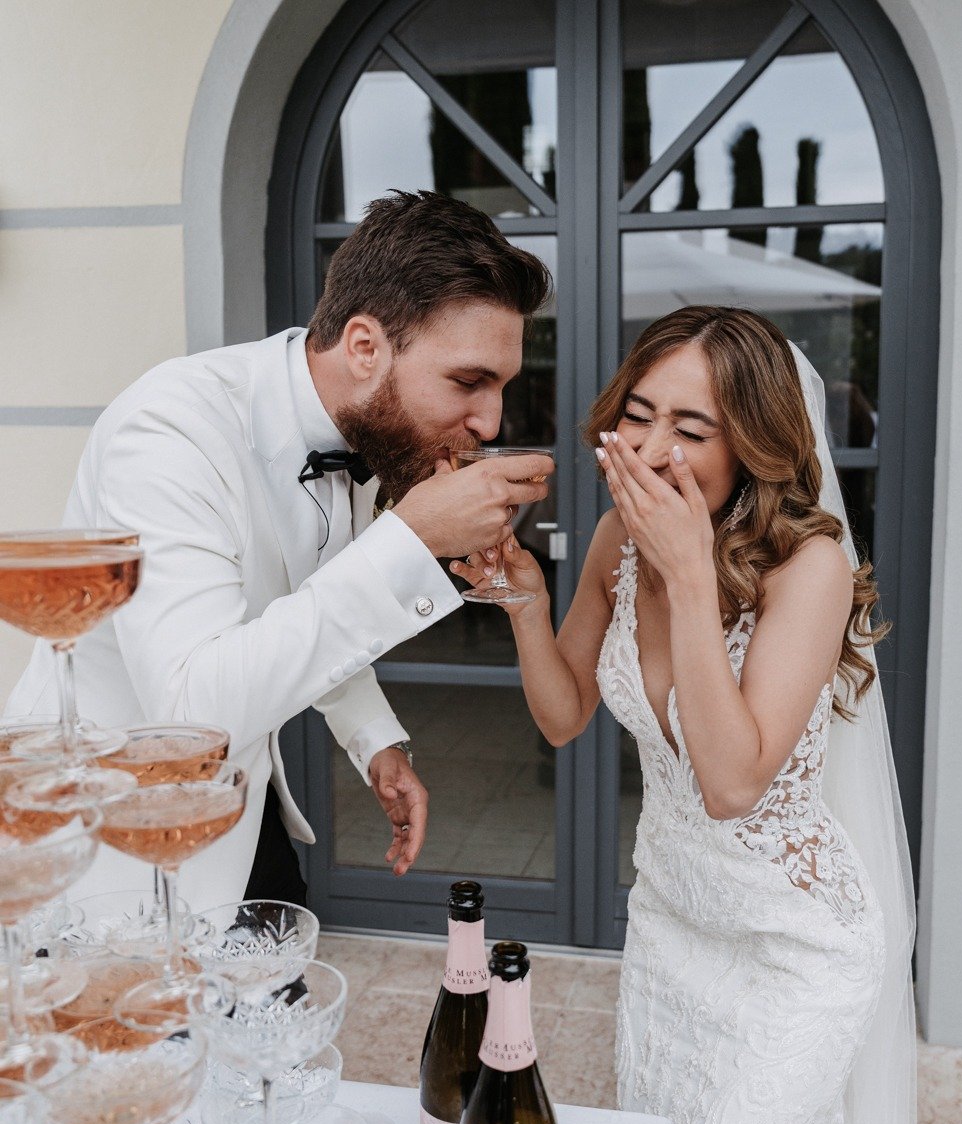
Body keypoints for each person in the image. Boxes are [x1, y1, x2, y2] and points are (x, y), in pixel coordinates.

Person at [452, 307, 916, 1124]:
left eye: (692, 429)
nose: (654, 450)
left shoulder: (811, 565)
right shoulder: (620, 538)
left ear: (749, 438)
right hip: (670, 932)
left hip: (796, 953)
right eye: (640, 416)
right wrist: (527, 603)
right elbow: (567, 713)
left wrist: (694, 574)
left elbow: (731, 781)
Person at [5, 191, 553, 907]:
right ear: (364, 348)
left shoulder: (364, 432)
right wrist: (411, 537)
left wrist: (373, 740)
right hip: (109, 851)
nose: (490, 420)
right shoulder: (169, 431)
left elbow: (304, 598)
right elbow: (192, 716)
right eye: (467, 382)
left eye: (501, 386)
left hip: (237, 810)